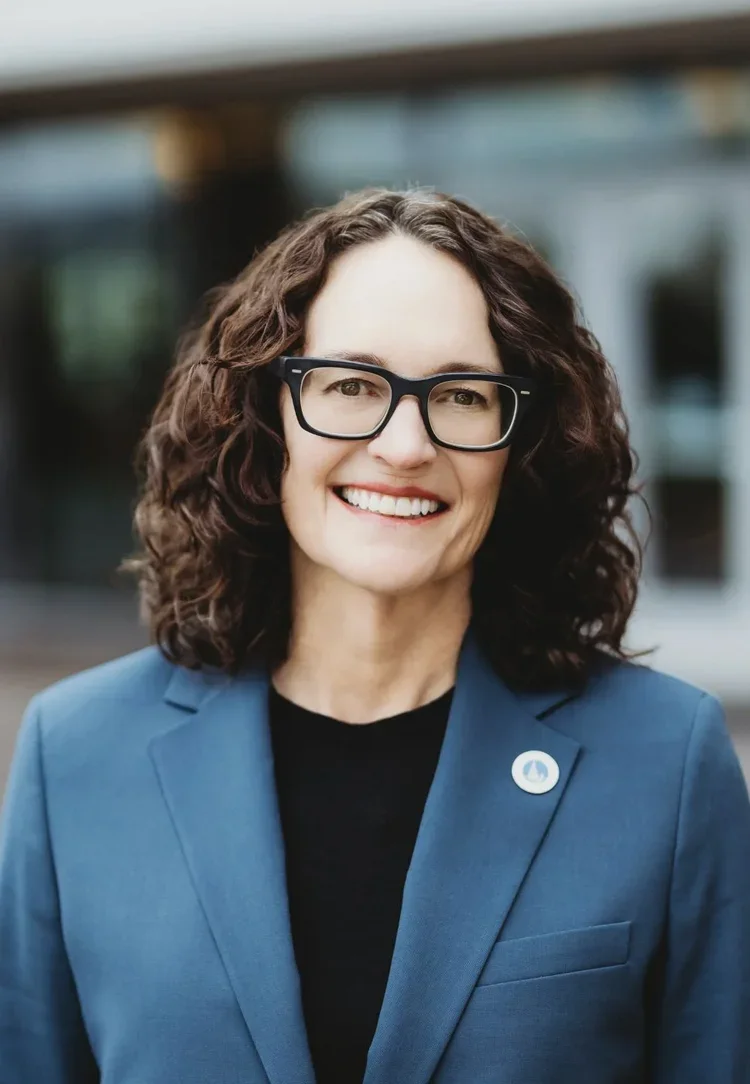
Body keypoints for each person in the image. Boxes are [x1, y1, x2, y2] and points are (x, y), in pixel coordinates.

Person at [1, 187, 749, 1084]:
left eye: (462, 395)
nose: (403, 445)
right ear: (267, 416)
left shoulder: (665, 762)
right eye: (352, 385)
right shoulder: (76, 756)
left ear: (521, 445)